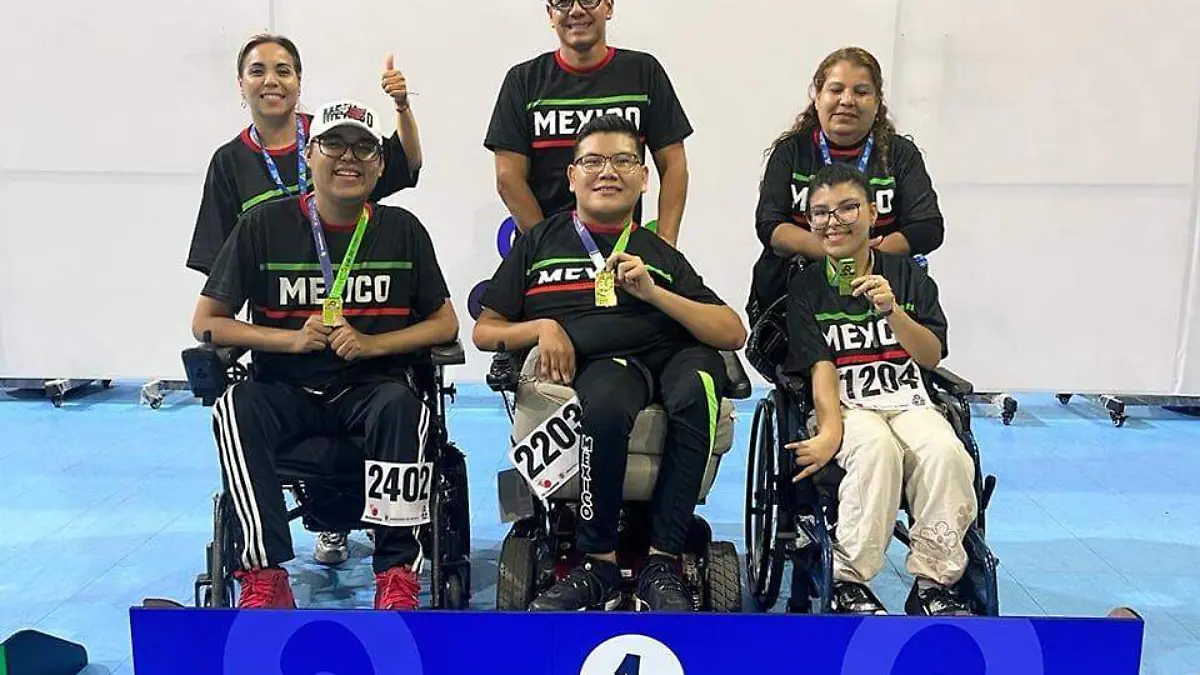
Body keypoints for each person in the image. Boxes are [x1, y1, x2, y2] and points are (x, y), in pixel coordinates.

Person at [191, 99, 459, 610]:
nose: (348, 157)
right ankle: (264, 574)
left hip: (372, 389)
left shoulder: (402, 229)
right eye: (334, 144)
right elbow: (208, 321)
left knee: (405, 408)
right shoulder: (262, 226)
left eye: (364, 148)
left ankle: (396, 573)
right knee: (233, 408)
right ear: (310, 155)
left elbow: (445, 324)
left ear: (379, 164)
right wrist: (289, 340)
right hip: (285, 389)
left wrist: (373, 344)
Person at [473, 114, 746, 612]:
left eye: (623, 161)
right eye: (593, 161)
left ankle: (663, 562)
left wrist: (655, 293)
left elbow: (732, 331)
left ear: (643, 178)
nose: (608, 172)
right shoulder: (539, 243)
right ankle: (598, 563)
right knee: (603, 400)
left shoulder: (657, 252)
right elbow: (485, 330)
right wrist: (542, 327)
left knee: (699, 387)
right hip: (605, 363)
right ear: (572, 176)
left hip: (674, 353)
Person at [782, 163, 976, 617]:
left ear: (872, 213)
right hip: (848, 406)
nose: (834, 221)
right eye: (821, 212)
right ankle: (849, 579)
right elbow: (820, 366)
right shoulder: (806, 288)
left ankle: (934, 582)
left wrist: (893, 312)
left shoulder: (908, 277)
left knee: (946, 452)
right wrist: (829, 431)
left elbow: (930, 355)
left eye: (848, 208)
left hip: (909, 400)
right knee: (876, 450)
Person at [749, 46, 944, 323]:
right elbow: (770, 225)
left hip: (882, 292)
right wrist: (839, 255)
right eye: (836, 89)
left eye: (861, 92)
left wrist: (867, 258)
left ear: (877, 103)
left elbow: (927, 228)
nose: (847, 100)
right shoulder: (791, 152)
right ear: (818, 97)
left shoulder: (900, 155)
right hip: (795, 292)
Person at [484, 0, 692, 246]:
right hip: (545, 251)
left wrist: (666, 248)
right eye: (563, 2)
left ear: (609, 6)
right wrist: (547, 250)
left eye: (589, 0)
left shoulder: (644, 73)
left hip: (624, 251)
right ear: (550, 13)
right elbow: (508, 177)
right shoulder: (523, 82)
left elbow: (673, 165)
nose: (576, 10)